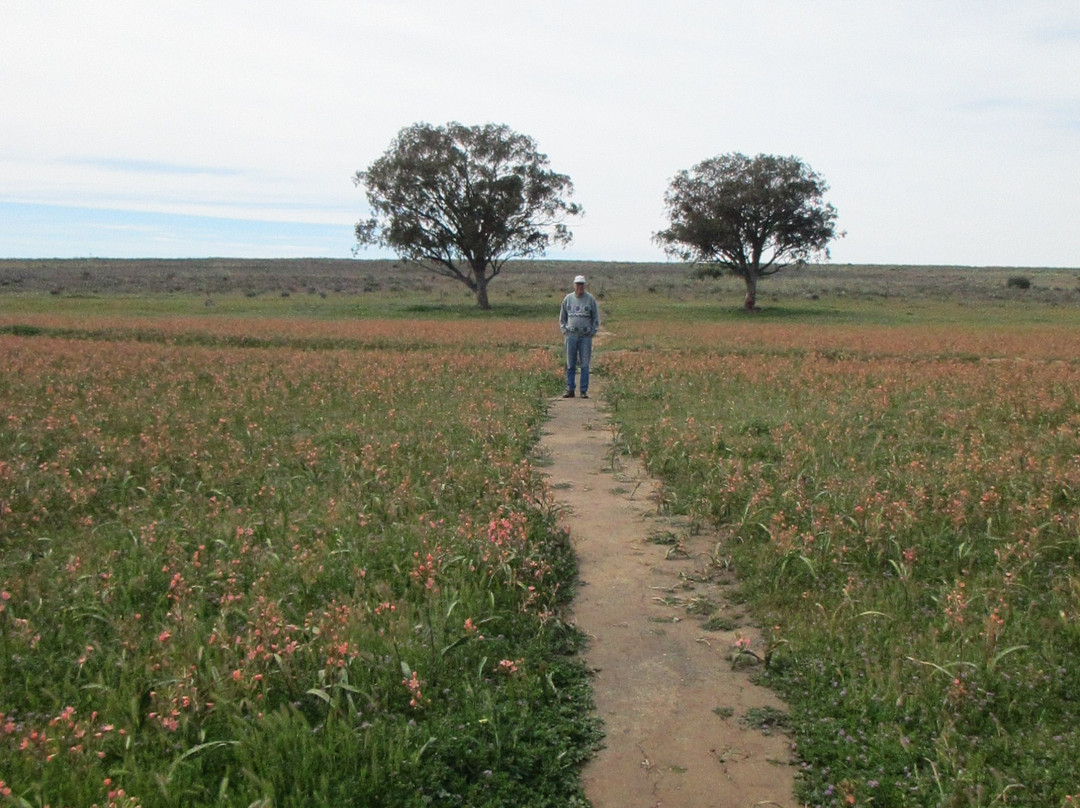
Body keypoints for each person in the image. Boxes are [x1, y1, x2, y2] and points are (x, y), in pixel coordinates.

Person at [559, 274, 600, 398]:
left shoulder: (590, 299)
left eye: (582, 284)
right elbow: (562, 317)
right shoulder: (568, 299)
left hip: (585, 336)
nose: (580, 287)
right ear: (574, 285)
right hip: (571, 335)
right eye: (578, 284)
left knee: (584, 364)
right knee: (570, 363)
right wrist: (564, 330)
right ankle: (570, 389)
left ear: (584, 285)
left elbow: (595, 318)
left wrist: (593, 331)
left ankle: (583, 390)